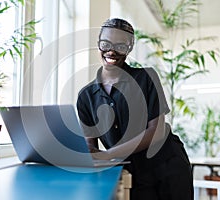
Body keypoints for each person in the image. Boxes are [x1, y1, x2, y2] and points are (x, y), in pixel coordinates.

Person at [76, 18, 193, 200]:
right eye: (105, 43)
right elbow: (90, 146)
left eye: (120, 45)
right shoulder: (86, 96)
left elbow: (157, 131)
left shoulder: (146, 78)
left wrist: (108, 155)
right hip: (130, 174)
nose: (111, 51)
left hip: (167, 166)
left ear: (130, 47)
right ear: (98, 44)